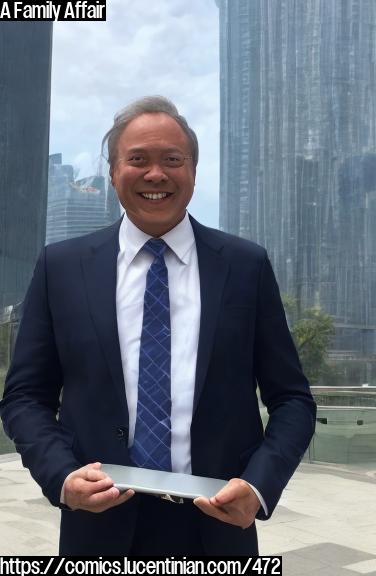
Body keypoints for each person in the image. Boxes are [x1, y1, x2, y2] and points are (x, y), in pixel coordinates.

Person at [0, 96, 316, 555]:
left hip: (218, 526)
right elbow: (25, 397)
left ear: (192, 171)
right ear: (113, 172)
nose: (155, 174)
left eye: (173, 160)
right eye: (137, 160)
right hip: (97, 528)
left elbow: (292, 400)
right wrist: (63, 477)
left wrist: (259, 485)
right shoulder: (62, 268)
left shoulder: (245, 267)